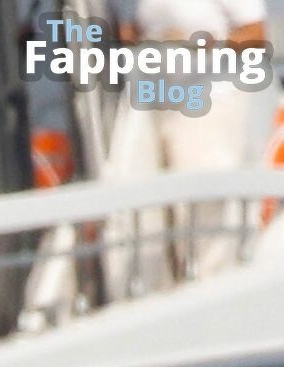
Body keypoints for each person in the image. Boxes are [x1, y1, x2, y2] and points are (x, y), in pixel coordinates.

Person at [108, 0, 268, 279]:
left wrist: (203, 46)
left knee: (204, 207)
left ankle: (211, 286)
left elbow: (256, 35)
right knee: (156, 210)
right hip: (157, 103)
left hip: (210, 101)